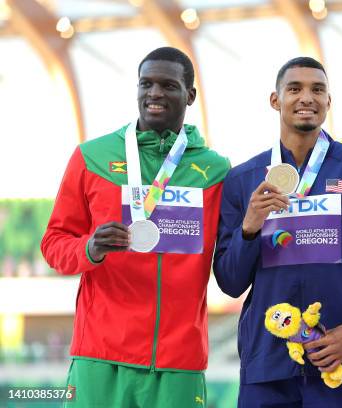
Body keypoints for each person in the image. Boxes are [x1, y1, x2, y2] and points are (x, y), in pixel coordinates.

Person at [213, 56, 342, 407]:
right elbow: (229, 281)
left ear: (328, 102)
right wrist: (249, 228)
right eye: (294, 89)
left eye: (317, 90)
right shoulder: (243, 179)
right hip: (267, 366)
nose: (307, 97)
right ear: (276, 100)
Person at [41, 47, 230, 407]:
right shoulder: (92, 157)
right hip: (100, 355)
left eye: (168, 85)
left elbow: (232, 255)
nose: (154, 93)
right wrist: (89, 249)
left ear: (190, 95)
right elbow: (53, 244)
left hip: (178, 361)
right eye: (146, 83)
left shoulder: (216, 171)